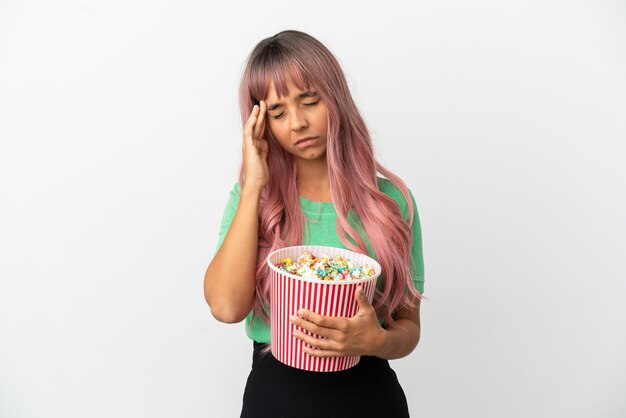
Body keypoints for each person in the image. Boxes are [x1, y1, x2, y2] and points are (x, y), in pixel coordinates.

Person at [204, 29, 426, 418]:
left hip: (371, 397)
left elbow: (408, 329)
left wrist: (376, 341)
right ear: (261, 123)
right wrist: (255, 183)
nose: (297, 123)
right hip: (276, 399)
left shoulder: (392, 202)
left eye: (310, 101)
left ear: (335, 98)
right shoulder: (253, 200)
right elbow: (225, 307)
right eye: (277, 112)